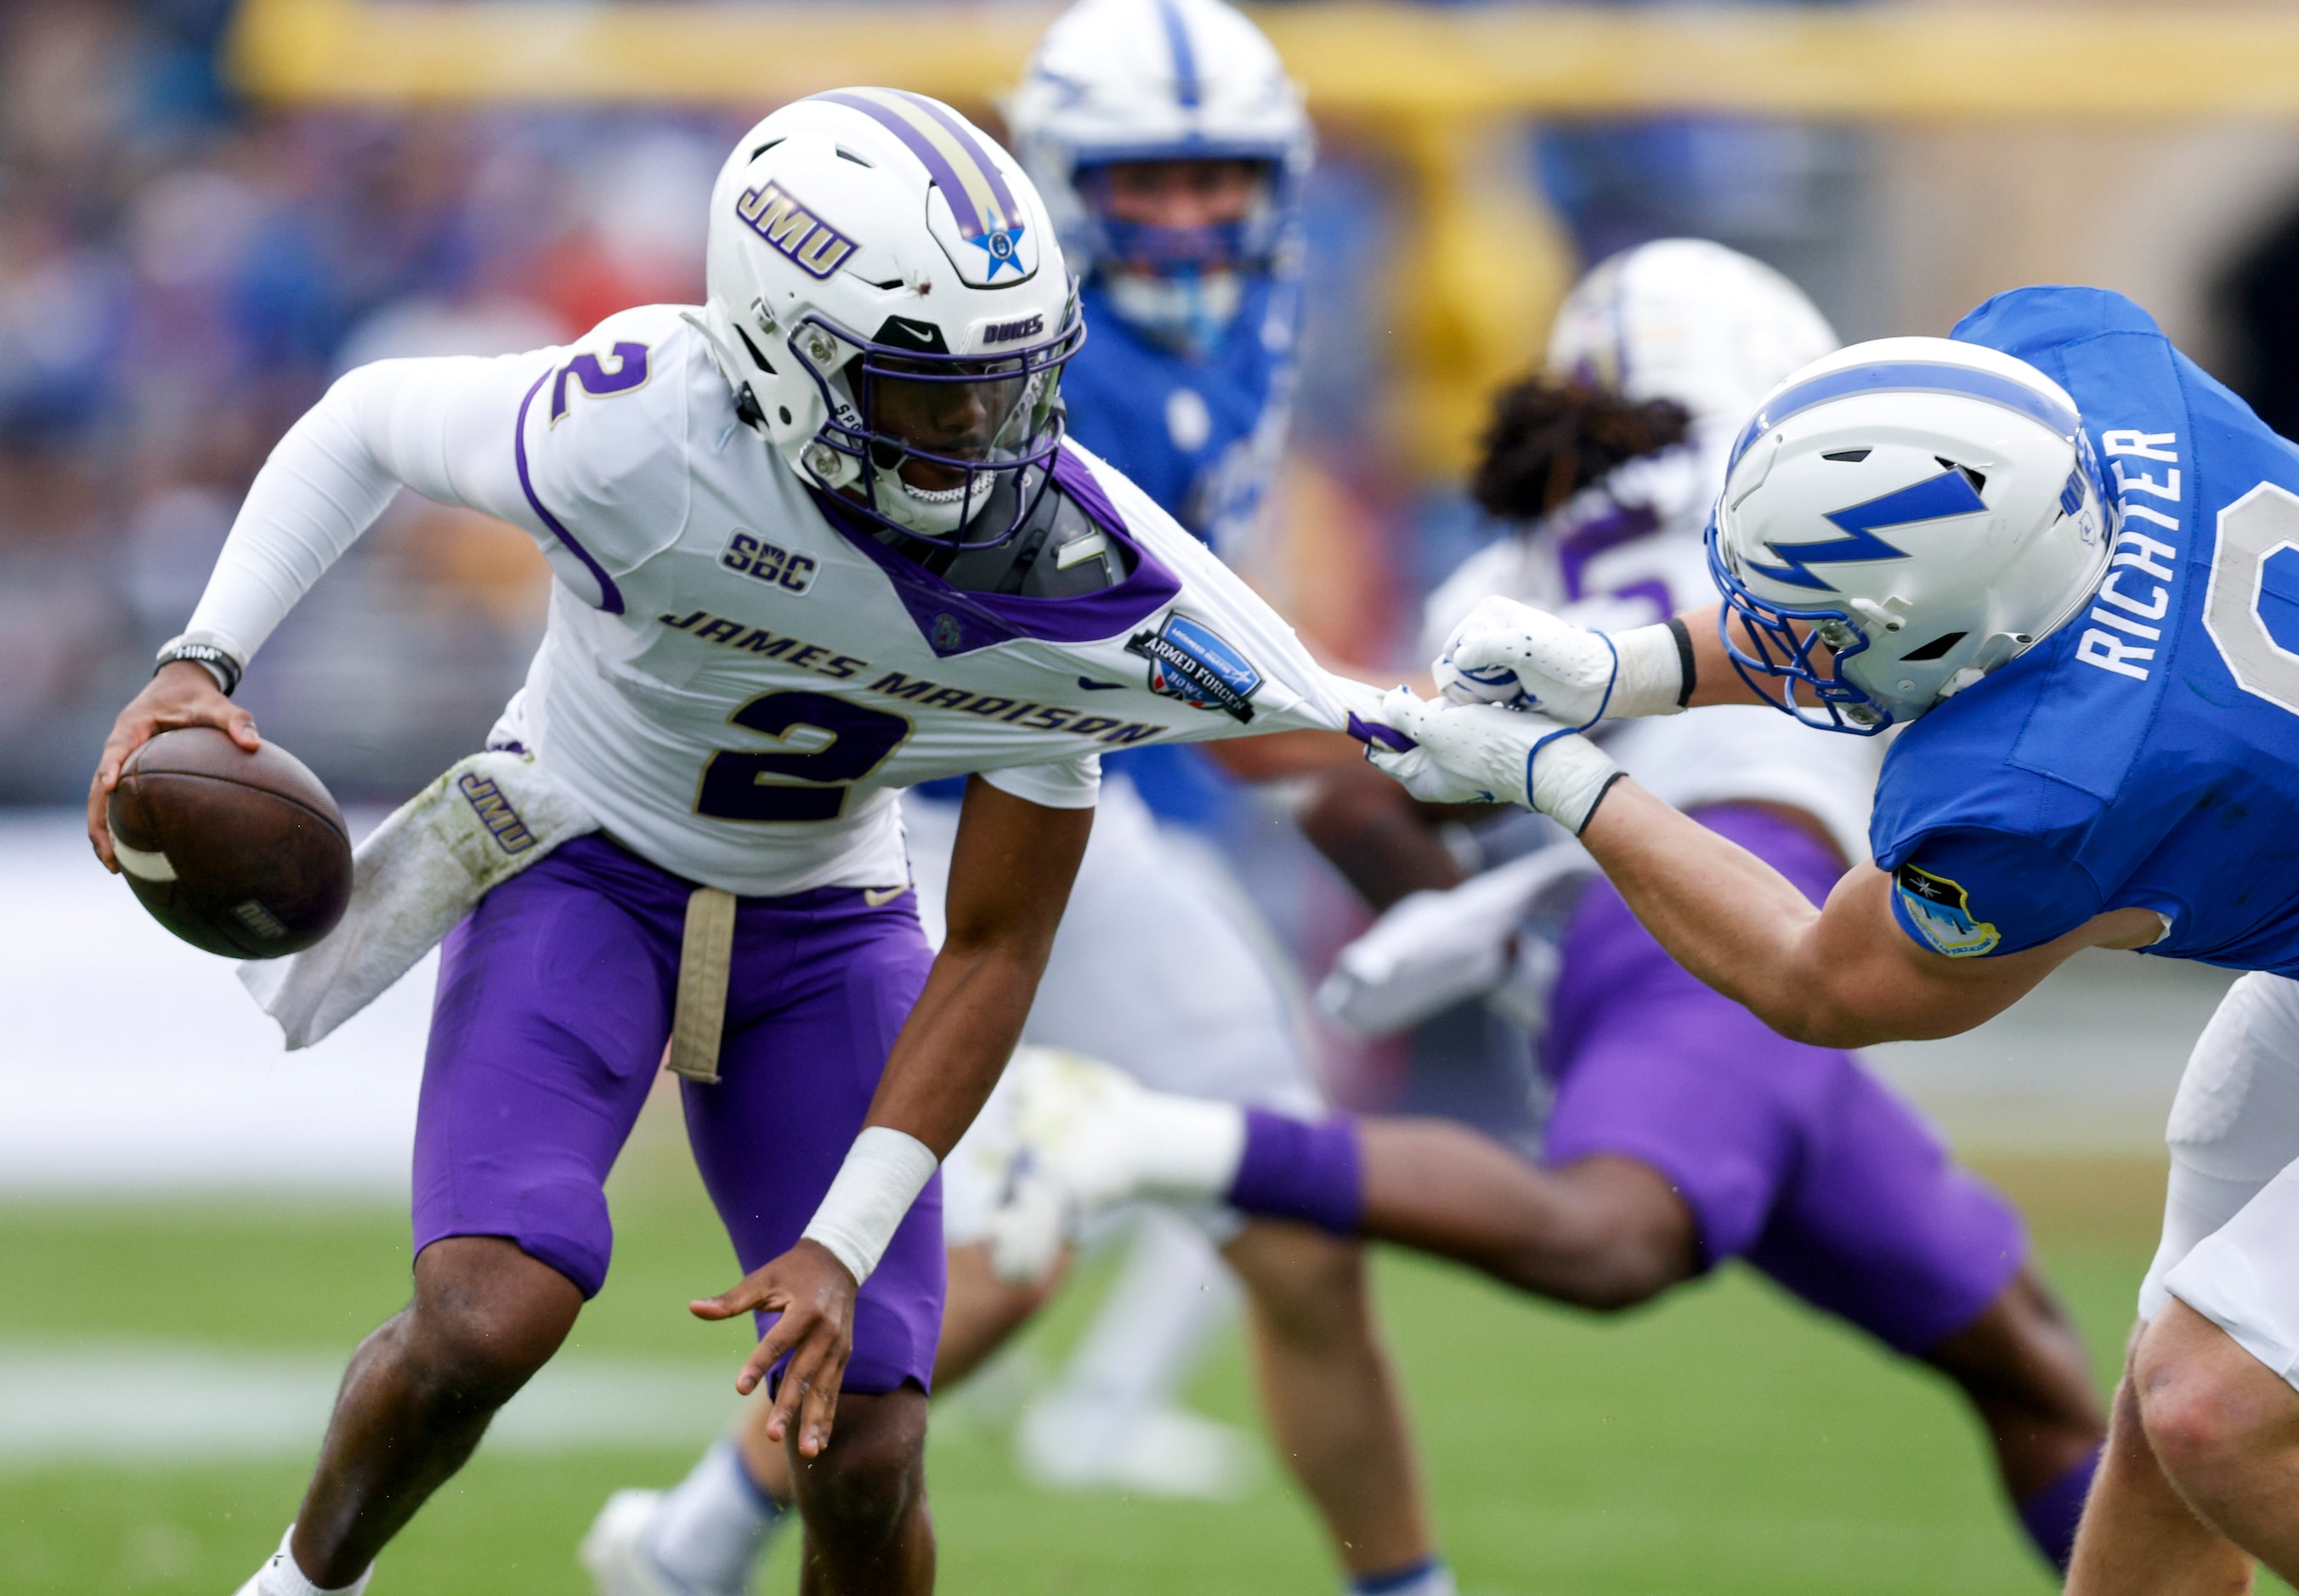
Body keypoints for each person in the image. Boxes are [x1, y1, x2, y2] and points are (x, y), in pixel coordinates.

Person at [88, 88, 1377, 1596]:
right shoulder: (636, 426)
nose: (979, 436)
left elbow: (999, 942)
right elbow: (364, 419)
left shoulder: (1064, 584)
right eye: (925, 392)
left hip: (825, 917)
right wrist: (205, 656)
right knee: (487, 1314)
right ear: (784, 353)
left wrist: (841, 1241)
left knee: (872, 1442)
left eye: (1005, 386)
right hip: (583, 856)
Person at [999, 246, 2115, 1576]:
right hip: (1750, 904)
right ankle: (1156, 1133)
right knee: (1612, 1237)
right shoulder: (1840, 491)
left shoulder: (1510, 567)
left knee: (2029, 1359)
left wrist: (1511, 931)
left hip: (1654, 926)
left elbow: (1365, 805)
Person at [583, 6, 1454, 1595]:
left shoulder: (1246, 316)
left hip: (1066, 789)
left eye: (1218, 179)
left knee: (1064, 1229)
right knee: (1234, 1204)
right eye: (1147, 181)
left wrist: (1357, 760)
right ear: (1060, 179)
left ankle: (700, 1537)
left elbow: (1203, 666)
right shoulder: (1034, 364)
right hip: (974, 789)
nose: (1190, 218)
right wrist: (1395, 768)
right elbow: (1156, 680)